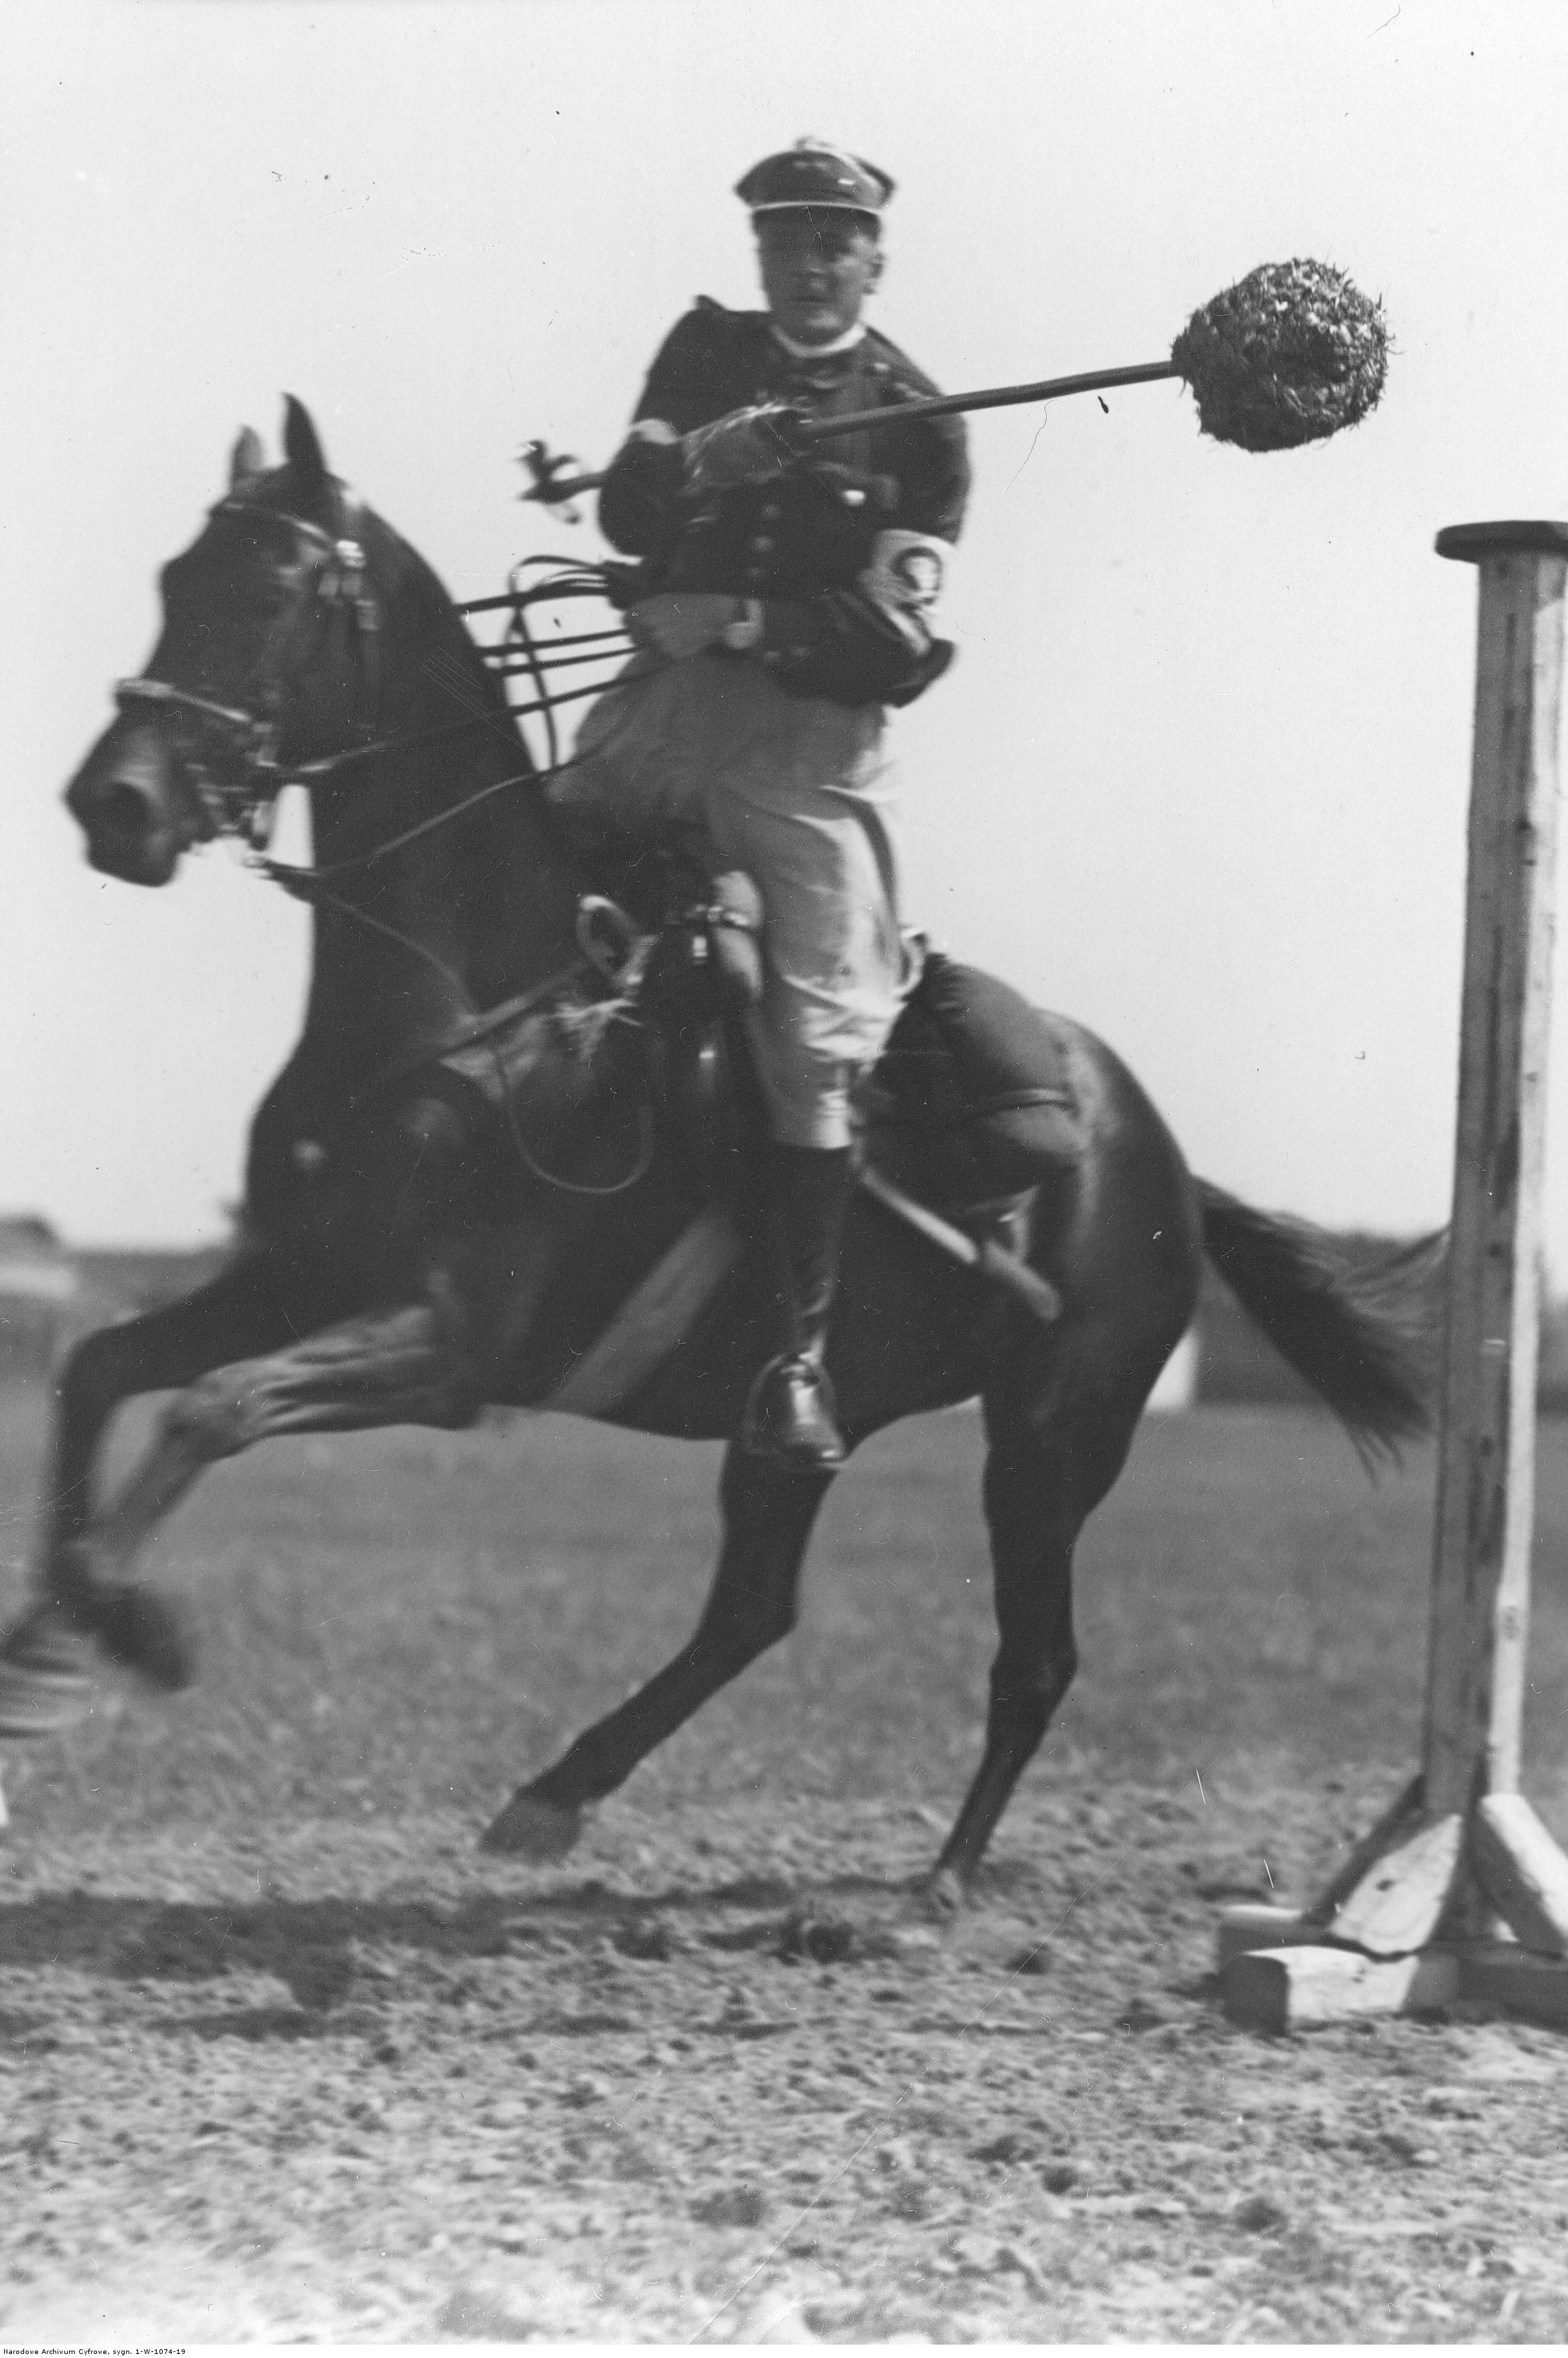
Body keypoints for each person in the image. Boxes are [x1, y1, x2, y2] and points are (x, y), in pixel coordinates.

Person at [557, 138, 971, 1467]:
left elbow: (895, 646)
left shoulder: (920, 420)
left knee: (816, 1041)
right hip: (662, 712)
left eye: (831, 244)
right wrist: (696, 469)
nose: (807, 267)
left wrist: (736, 612)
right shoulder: (702, 355)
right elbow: (626, 513)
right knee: (514, 865)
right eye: (785, 244)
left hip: (812, 757)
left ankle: (795, 1357)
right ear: (759, 256)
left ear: (873, 259)